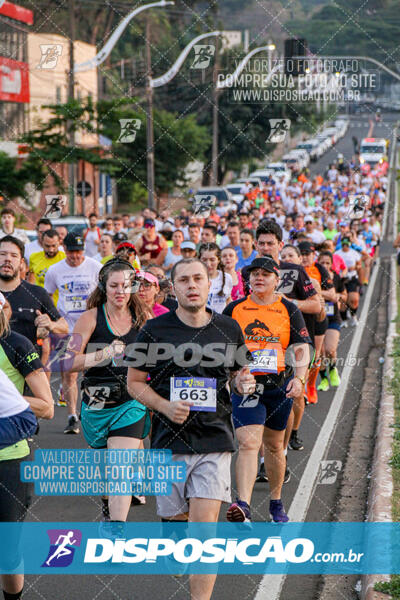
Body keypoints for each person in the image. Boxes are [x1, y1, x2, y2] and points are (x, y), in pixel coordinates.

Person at [127, 257, 254, 600]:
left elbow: (240, 375)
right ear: (174, 287)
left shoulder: (228, 328)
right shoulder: (154, 331)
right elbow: (134, 383)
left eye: (198, 278)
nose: (192, 285)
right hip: (169, 443)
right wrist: (165, 405)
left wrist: (244, 383)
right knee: (177, 554)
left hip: (215, 439)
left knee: (204, 535)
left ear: (210, 283)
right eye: (184, 280)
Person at [223, 256, 311, 523]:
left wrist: (299, 379)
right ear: (248, 280)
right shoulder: (235, 309)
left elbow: (301, 347)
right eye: (254, 274)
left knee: (273, 446)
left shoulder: (288, 309)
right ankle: (243, 506)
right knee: (248, 444)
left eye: (265, 274)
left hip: (278, 386)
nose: (259, 277)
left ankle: (275, 502)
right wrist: (235, 376)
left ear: (277, 280)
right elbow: (222, 350)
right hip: (248, 387)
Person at [67, 259, 151, 531]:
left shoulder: (143, 319)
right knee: (106, 473)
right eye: (114, 285)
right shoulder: (90, 317)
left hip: (131, 402)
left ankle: (117, 529)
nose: (120, 291)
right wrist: (103, 354)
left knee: (120, 469)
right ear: (104, 286)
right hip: (96, 402)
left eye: (126, 285)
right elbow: (68, 361)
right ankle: (108, 509)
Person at [0, 290, 53, 600]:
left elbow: (47, 407)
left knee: (7, 552)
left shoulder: (16, 345)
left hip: (10, 457)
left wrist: (7, 398)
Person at [44, 232, 101, 434]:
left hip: (93, 327)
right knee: (70, 374)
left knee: (94, 373)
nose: (75, 256)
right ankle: (72, 416)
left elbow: (105, 292)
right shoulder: (55, 270)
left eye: (79, 252)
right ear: (64, 250)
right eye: (71, 252)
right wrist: (54, 319)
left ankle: (94, 416)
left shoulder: (95, 267)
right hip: (68, 328)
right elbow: (47, 295)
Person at [0, 235, 68, 347]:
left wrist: (51, 325)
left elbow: (64, 329)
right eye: (2, 254)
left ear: (21, 262)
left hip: (28, 362)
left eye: (14, 255)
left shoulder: (37, 293)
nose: (8, 259)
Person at [317, 251, 347, 391]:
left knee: (330, 349)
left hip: (333, 317)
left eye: (327, 263)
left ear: (331, 264)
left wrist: (338, 297)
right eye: (322, 263)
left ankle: (333, 369)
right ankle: (323, 379)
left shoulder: (336, 278)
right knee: (321, 352)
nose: (324, 265)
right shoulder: (314, 278)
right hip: (318, 318)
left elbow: (343, 295)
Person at [335, 236, 362, 327]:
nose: (345, 246)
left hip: (352, 278)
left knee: (354, 299)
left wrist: (354, 268)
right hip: (341, 279)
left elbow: (359, 266)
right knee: (343, 300)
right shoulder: (337, 254)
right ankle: (344, 320)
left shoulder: (354, 253)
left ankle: (353, 316)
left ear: (350, 244)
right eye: (344, 244)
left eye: (347, 244)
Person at [199, 242, 233, 313]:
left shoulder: (227, 278)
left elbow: (228, 300)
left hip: (221, 321)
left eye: (212, 260)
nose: (208, 264)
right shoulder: (194, 280)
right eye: (204, 260)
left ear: (219, 260)